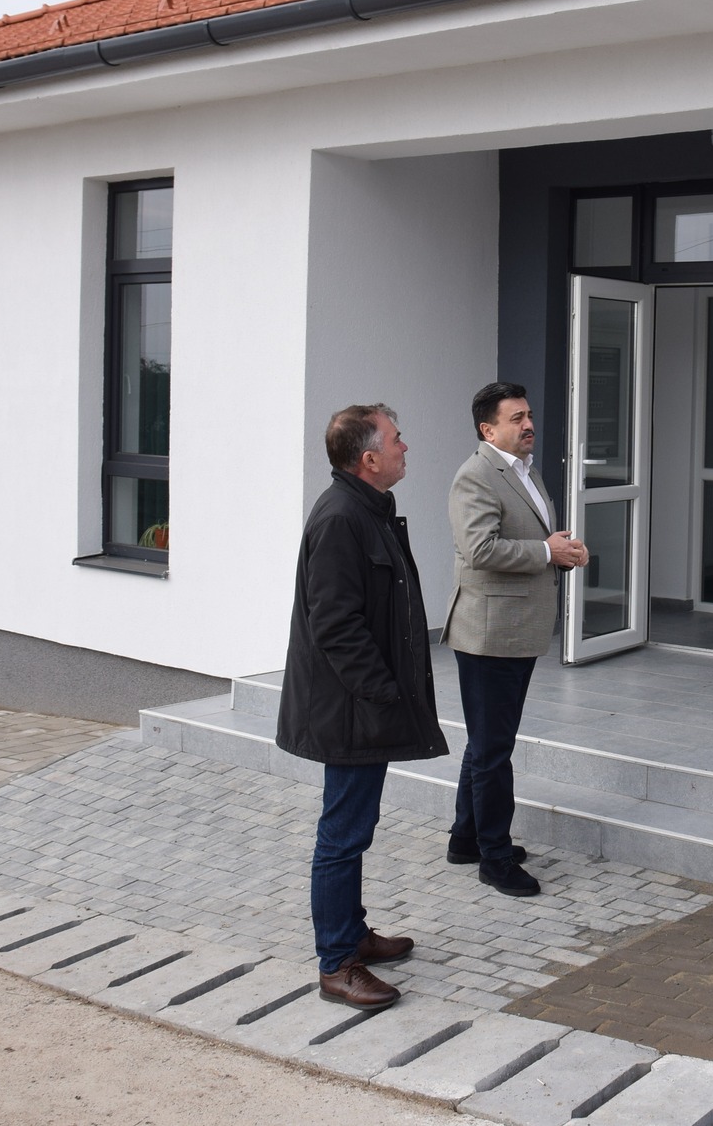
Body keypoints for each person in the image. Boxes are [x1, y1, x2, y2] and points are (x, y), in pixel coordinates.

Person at [276, 404, 449, 1009]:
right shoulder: (341, 519)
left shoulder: (368, 510)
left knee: (355, 826)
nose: (406, 447)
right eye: (397, 440)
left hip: (361, 704)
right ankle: (337, 964)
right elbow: (335, 625)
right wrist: (382, 691)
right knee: (343, 834)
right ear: (369, 459)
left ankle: (352, 935)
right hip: (349, 708)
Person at [442, 382, 588, 898]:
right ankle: (495, 858)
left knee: (487, 742)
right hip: (488, 633)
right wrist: (547, 553)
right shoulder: (475, 475)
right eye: (516, 418)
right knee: (493, 751)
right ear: (488, 430)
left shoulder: (525, 470)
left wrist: (561, 551)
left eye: (528, 415)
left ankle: (466, 840)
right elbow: (480, 549)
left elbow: (528, 535)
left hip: (513, 629)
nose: (529, 425)